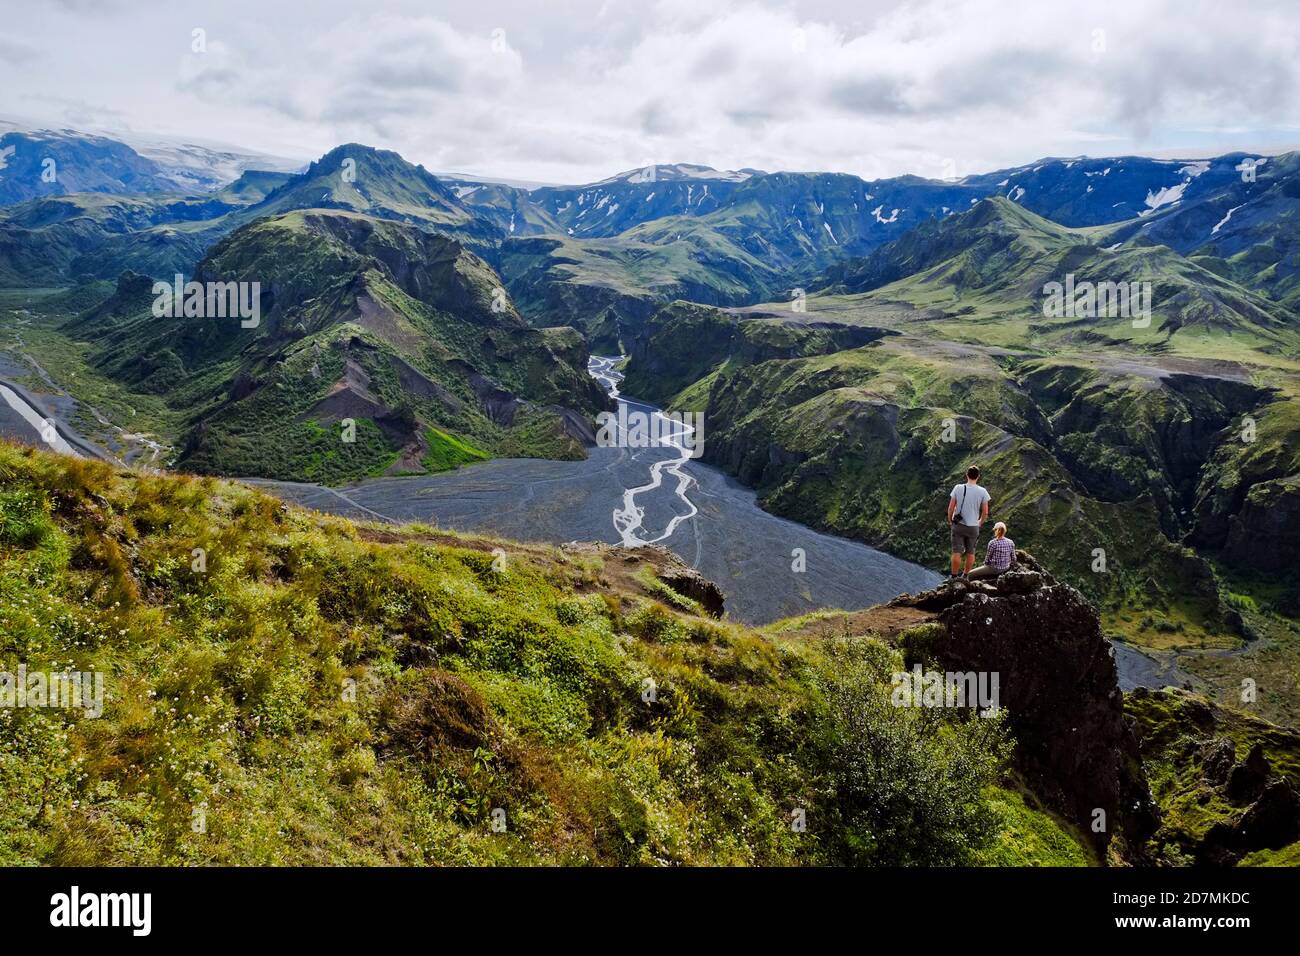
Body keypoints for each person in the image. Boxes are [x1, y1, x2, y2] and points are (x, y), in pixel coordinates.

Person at [947, 465, 990, 577]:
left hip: (959, 525)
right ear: (978, 477)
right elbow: (985, 512)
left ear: (967, 475)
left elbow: (951, 507)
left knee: (957, 552)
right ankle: (966, 576)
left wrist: (950, 520)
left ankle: (954, 577)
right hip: (973, 527)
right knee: (971, 552)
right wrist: (980, 522)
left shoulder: (958, 488)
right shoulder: (983, 491)